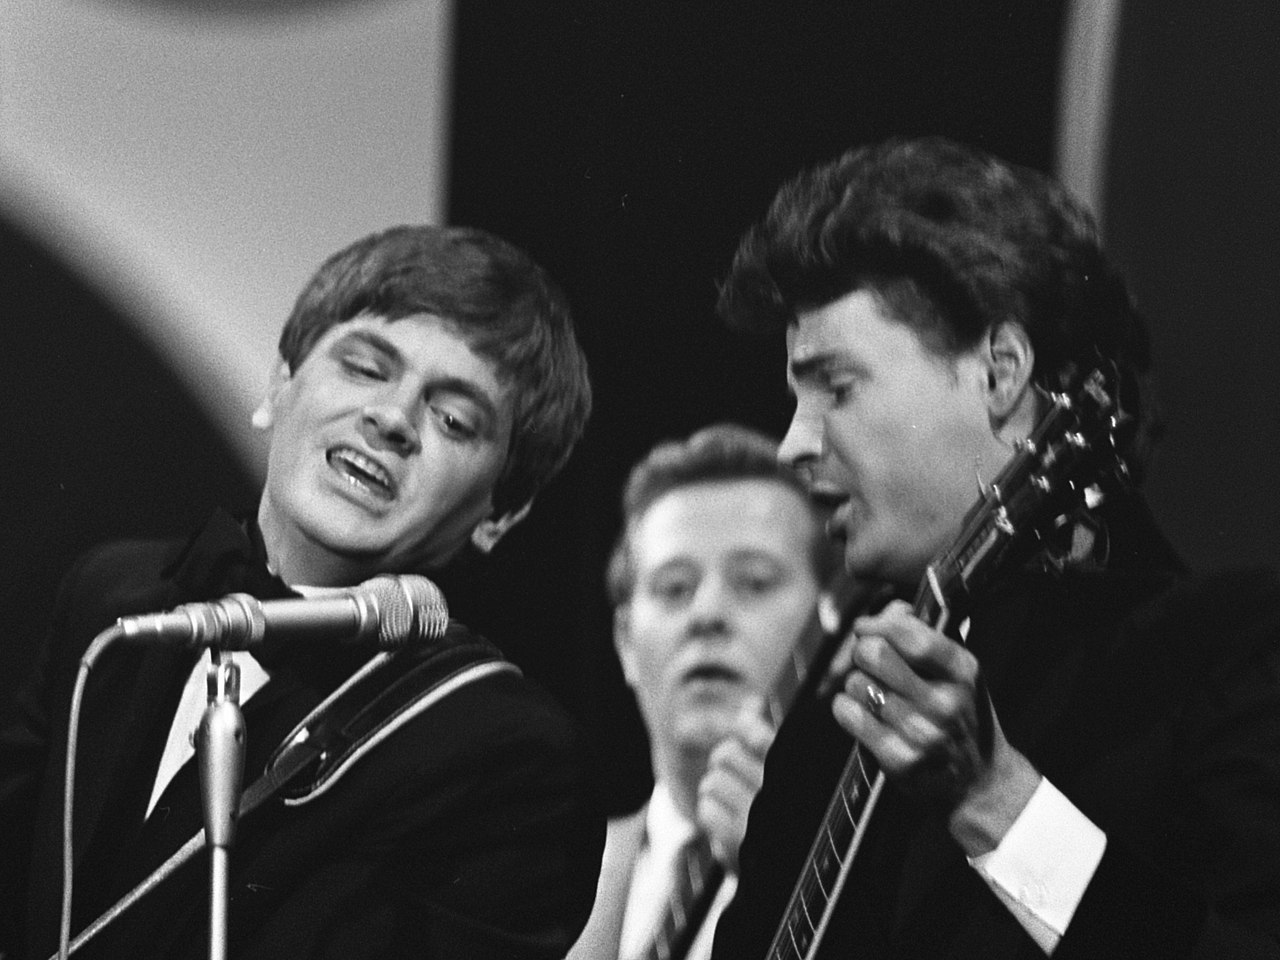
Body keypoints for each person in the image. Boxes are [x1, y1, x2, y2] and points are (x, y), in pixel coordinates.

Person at [707, 137, 1280, 959]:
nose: (793, 445)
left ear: (1000, 371)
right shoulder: (835, 712)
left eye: (836, 387)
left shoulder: (1226, 653)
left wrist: (997, 801)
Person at [0, 225, 602, 960]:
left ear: (500, 512)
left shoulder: (505, 751)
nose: (391, 419)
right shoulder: (111, 599)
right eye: (365, 367)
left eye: (453, 419)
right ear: (278, 385)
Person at [567, 424, 838, 960]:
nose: (707, 614)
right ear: (624, 641)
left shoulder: (867, 862)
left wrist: (776, 876)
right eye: (674, 588)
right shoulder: (556, 881)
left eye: (754, 582)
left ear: (825, 621)